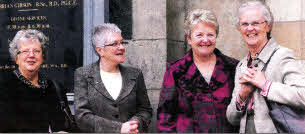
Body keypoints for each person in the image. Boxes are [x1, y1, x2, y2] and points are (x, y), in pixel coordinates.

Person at [226, 1, 305, 133]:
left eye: (256, 23)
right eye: (245, 24)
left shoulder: (282, 56)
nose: (250, 28)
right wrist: (242, 95)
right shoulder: (241, 66)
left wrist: (266, 86)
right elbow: (231, 119)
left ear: (268, 26)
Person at [157, 9, 239, 133]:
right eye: (199, 35)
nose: (205, 40)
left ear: (216, 36)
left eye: (210, 35)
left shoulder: (233, 67)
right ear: (189, 39)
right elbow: (165, 116)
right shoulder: (175, 71)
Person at [74, 23, 153, 133]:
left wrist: (134, 124)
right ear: (100, 50)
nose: (121, 47)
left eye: (122, 42)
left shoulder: (135, 74)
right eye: (115, 44)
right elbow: (82, 116)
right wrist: (119, 129)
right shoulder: (83, 74)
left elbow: (145, 110)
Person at [0, 29, 68, 133]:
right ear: (16, 58)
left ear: (43, 56)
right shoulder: (4, 88)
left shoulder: (54, 87)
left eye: (36, 51)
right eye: (25, 51)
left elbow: (63, 125)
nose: (31, 55)